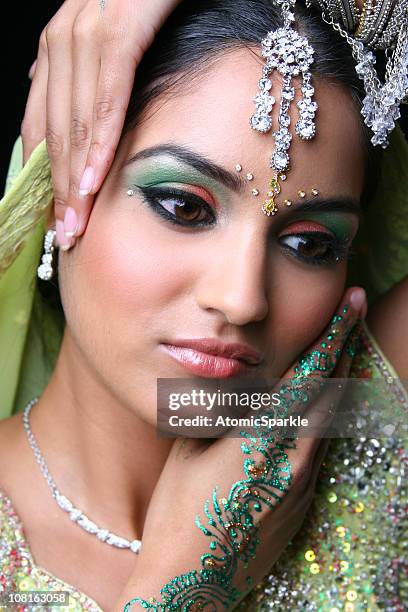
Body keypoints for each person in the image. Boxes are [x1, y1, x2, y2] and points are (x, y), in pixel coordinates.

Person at [0, 0, 407, 610]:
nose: (241, 299)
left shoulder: (366, 423)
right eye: (184, 207)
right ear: (64, 189)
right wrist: (182, 586)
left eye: (309, 244)